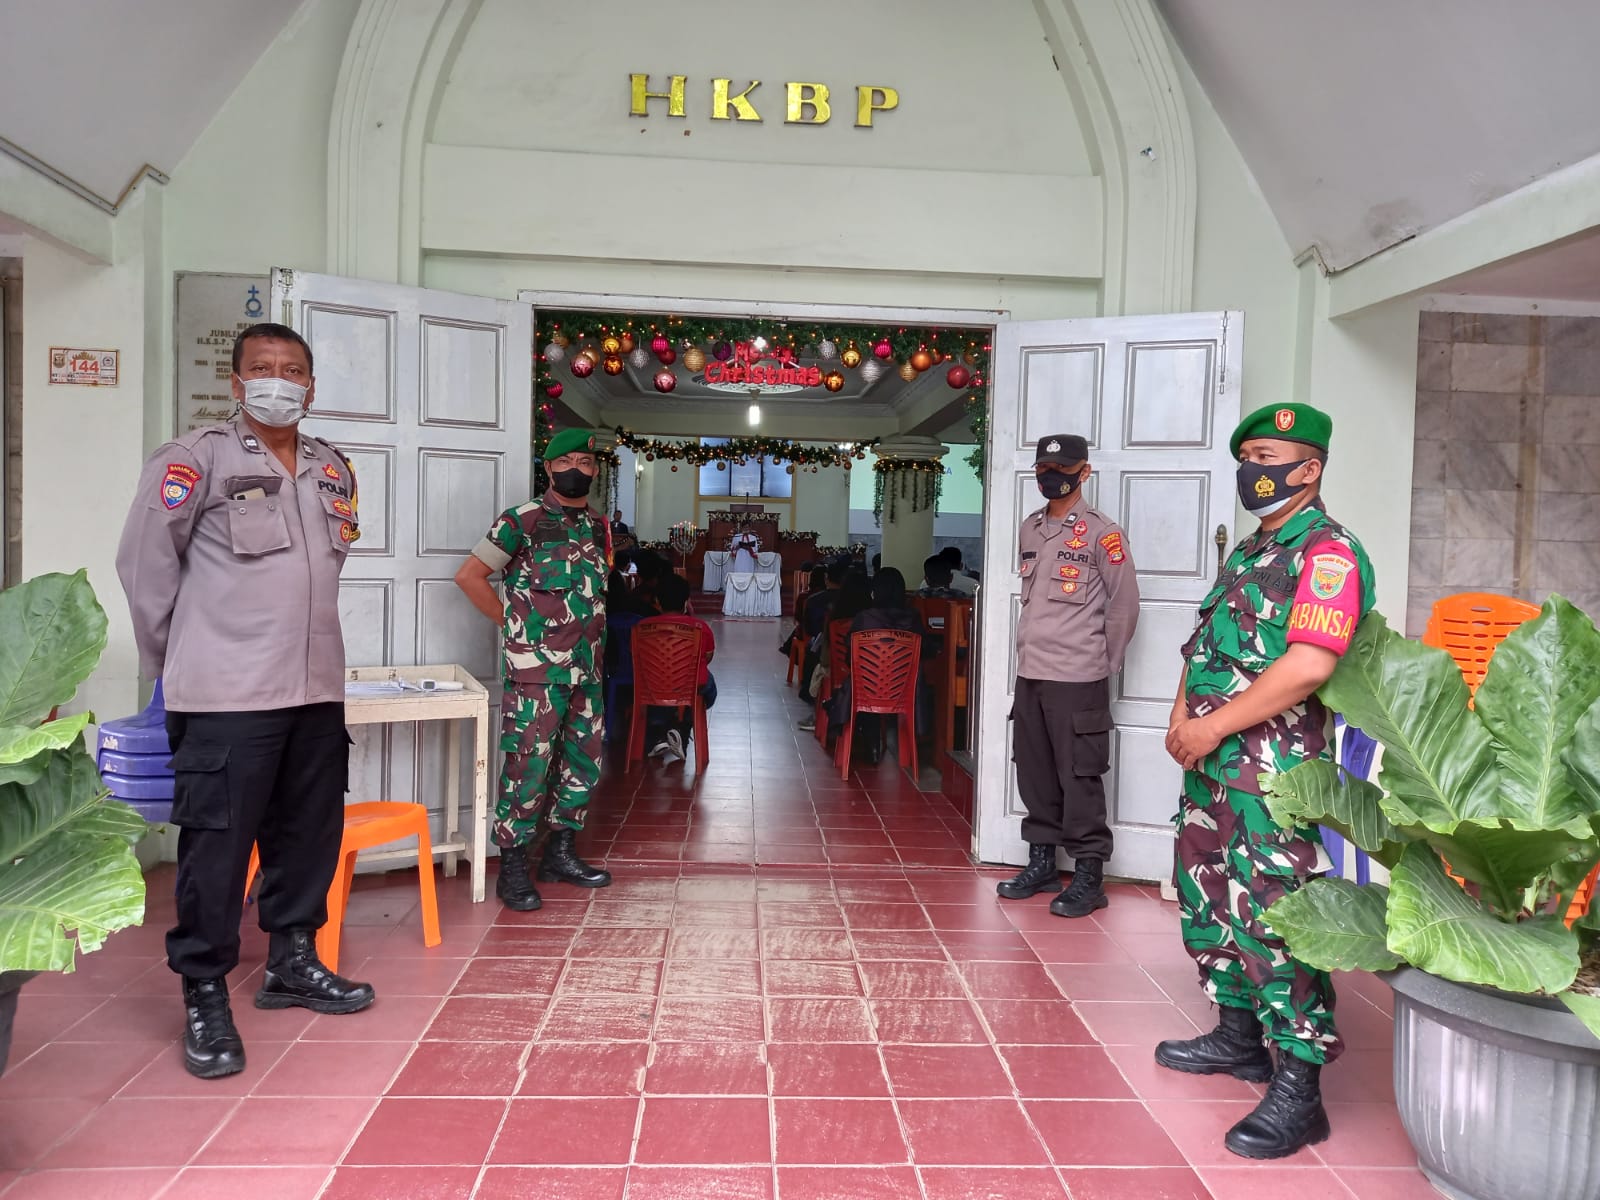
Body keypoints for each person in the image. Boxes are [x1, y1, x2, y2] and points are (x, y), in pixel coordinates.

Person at [115, 322, 375, 1081]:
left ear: (311, 387)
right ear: (236, 383)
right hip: (227, 691)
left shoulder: (331, 466)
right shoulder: (194, 459)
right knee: (218, 850)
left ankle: (292, 962)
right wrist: (174, 664)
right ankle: (203, 991)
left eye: (292, 370)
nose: (277, 381)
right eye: (262, 368)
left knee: (308, 834)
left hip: (315, 685)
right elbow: (145, 567)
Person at [1155, 403, 1373, 1159]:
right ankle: (1238, 1036)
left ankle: (1299, 1088)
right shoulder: (1252, 550)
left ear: (1309, 468)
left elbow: (1309, 665)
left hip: (1274, 773)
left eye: (1268, 457)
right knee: (1208, 895)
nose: (1253, 470)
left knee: (1278, 915)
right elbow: (1205, 646)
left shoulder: (1329, 554)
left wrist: (1212, 727)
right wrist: (1182, 718)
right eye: (1246, 457)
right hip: (1213, 765)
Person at [454, 428, 613, 912]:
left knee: (582, 763)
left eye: (585, 462)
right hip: (536, 674)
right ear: (548, 468)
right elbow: (470, 576)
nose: (576, 469)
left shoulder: (599, 526)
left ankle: (560, 853)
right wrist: (514, 627)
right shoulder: (520, 521)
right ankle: (514, 865)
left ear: (595, 470)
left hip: (587, 670)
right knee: (528, 766)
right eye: (566, 461)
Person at [997, 433, 1140, 919]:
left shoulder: (1104, 533)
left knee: (1079, 776)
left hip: (1078, 677)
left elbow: (1124, 605)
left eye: (1062, 469)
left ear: (1084, 472)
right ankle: (1041, 863)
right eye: (1043, 469)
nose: (1051, 476)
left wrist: (1103, 663)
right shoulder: (1031, 528)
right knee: (1034, 769)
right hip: (1032, 672)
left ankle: (1088, 876)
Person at [641, 574, 717, 764]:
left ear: (657, 601)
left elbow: (639, 657)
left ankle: (659, 732)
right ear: (685, 602)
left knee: (660, 685)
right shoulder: (700, 627)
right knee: (708, 686)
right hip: (690, 685)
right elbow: (708, 657)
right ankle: (681, 728)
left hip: (652, 684)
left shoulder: (642, 627)